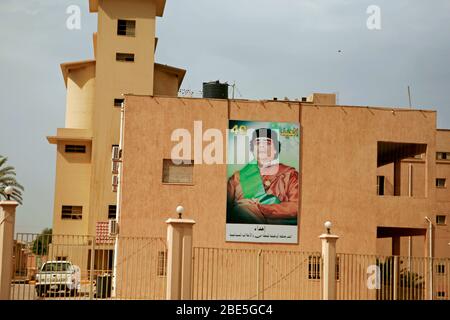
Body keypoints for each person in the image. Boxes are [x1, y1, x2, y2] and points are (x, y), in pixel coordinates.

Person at [227, 128, 299, 225]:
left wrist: (260, 208)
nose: (261, 147)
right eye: (257, 143)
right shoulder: (237, 177)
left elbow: (296, 207)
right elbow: (225, 209)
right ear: (252, 149)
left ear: (275, 149)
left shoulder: (290, 175)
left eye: (267, 143)